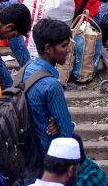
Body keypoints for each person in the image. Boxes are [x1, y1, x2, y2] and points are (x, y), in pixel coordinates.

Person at [23, 18, 75, 151]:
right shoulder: (51, 85)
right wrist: (64, 123)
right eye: (64, 46)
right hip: (47, 152)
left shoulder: (26, 69)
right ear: (48, 48)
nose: (68, 50)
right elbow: (67, 132)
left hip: (28, 147)